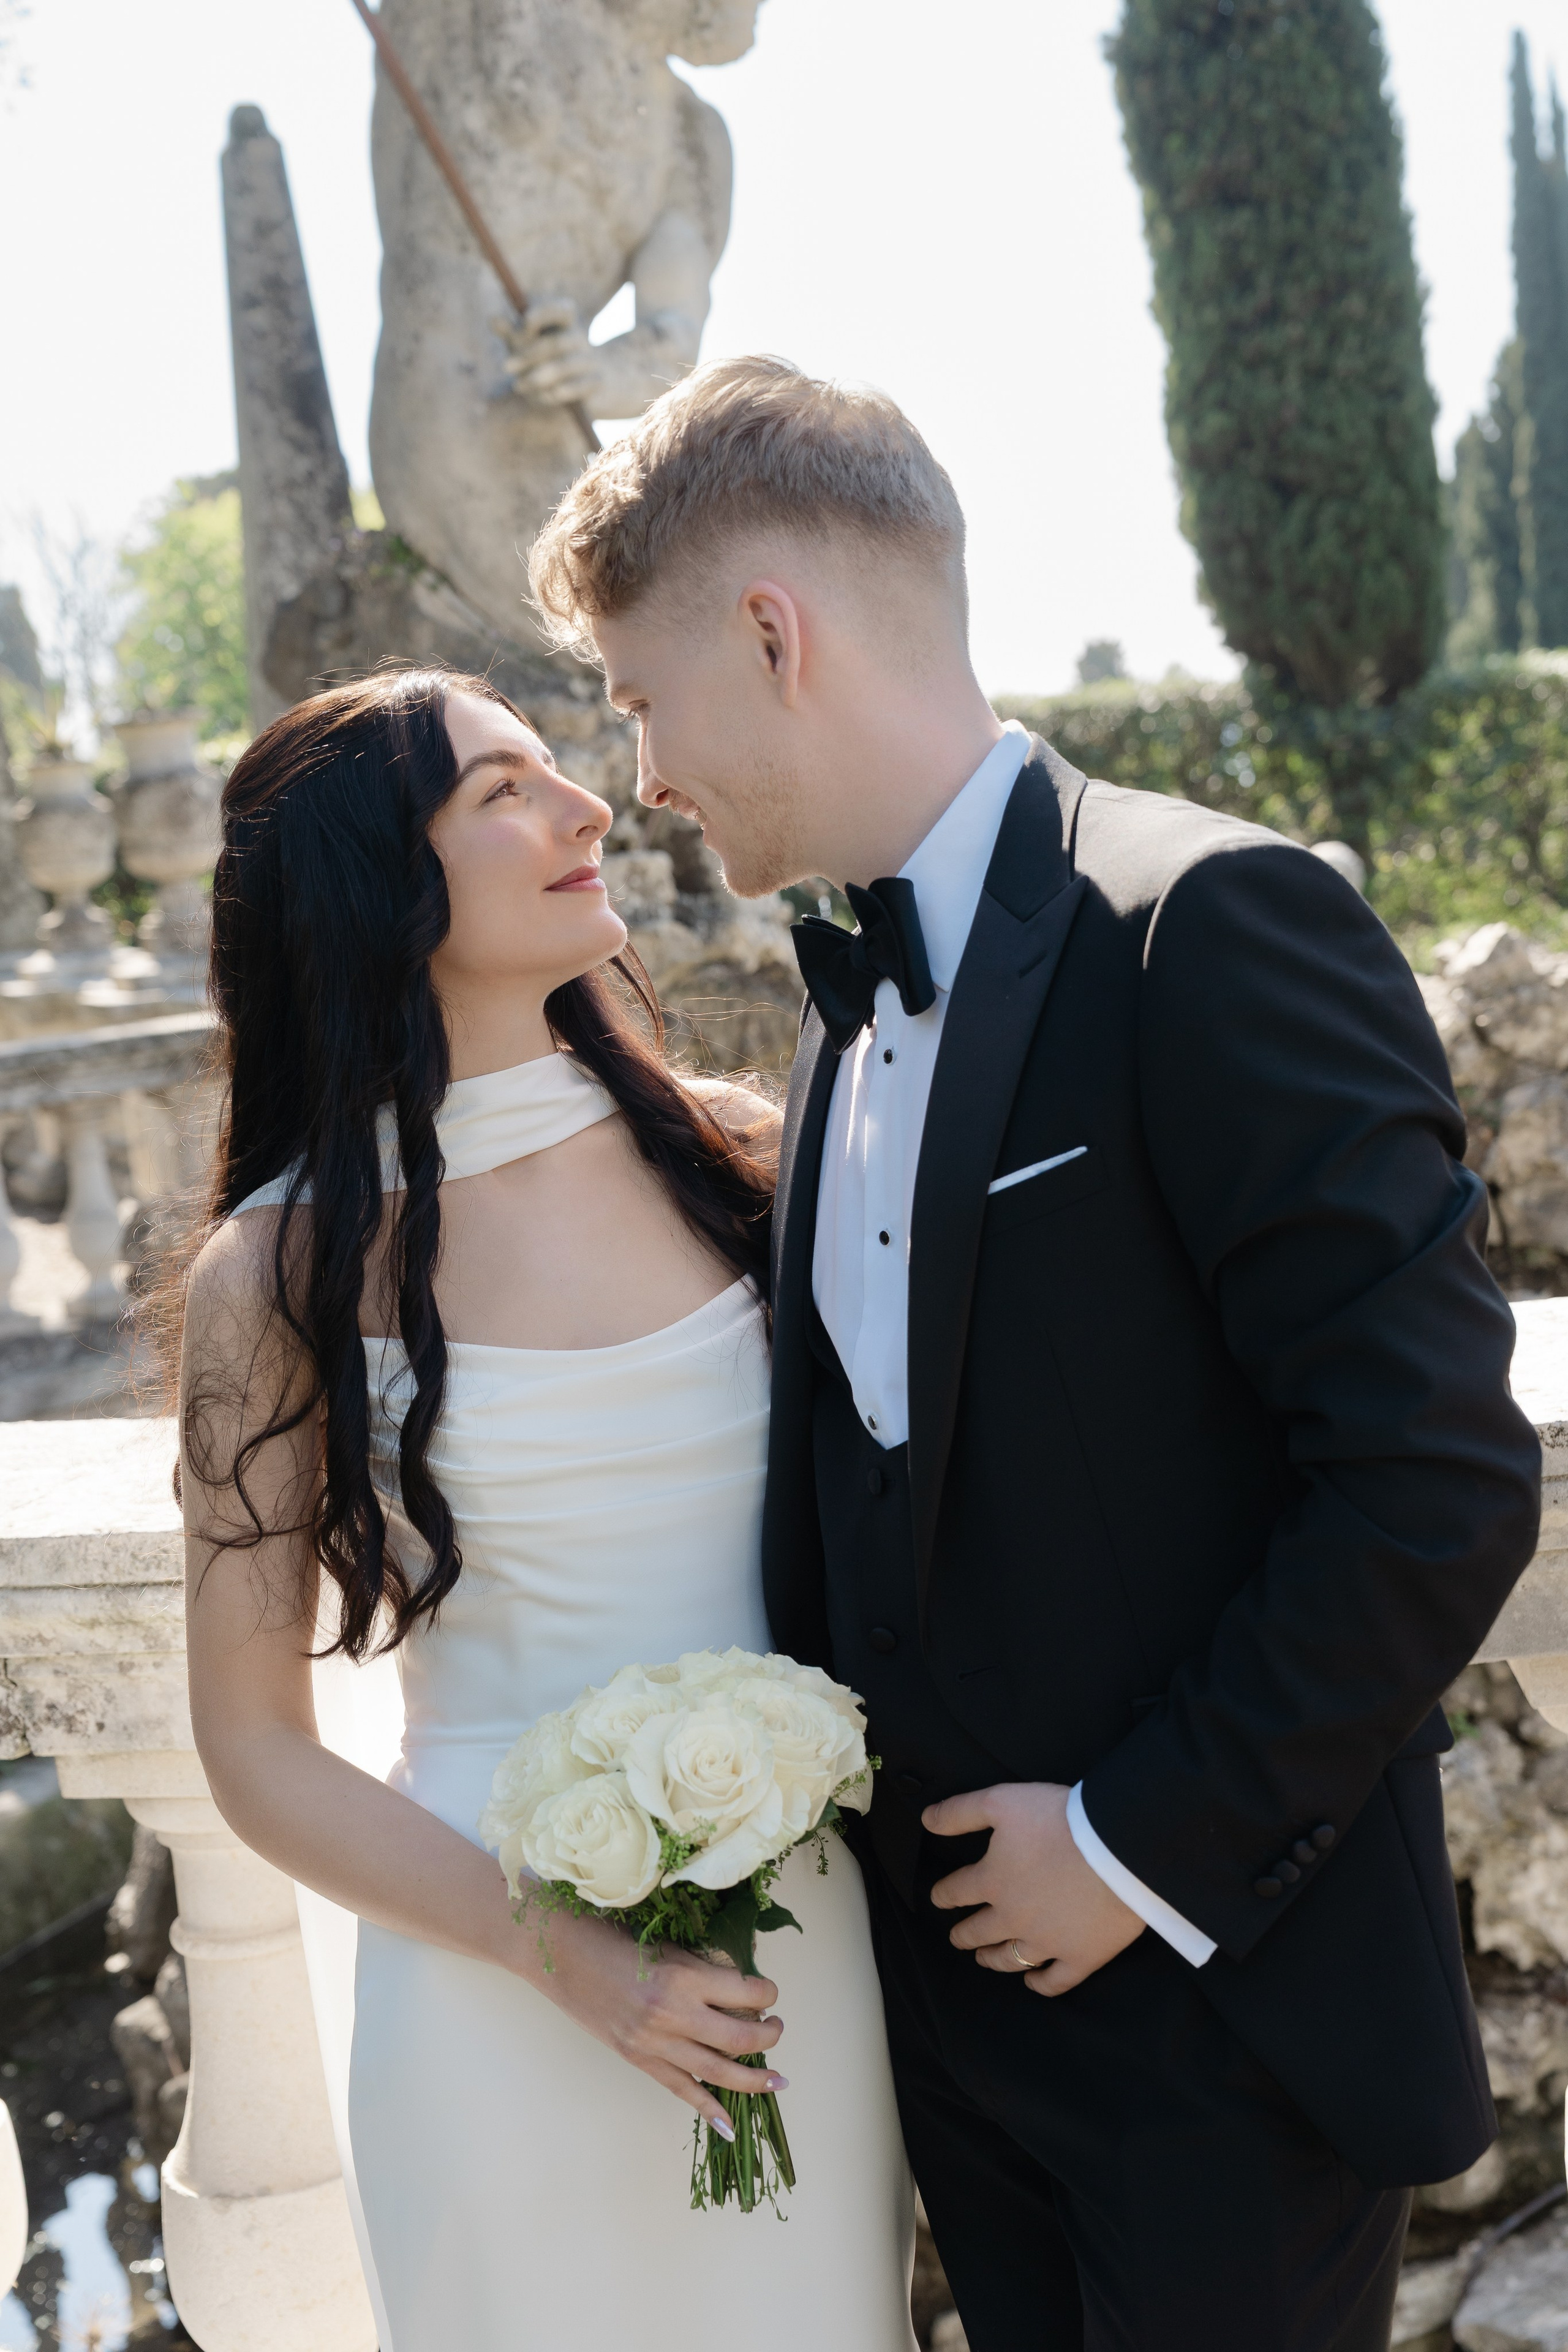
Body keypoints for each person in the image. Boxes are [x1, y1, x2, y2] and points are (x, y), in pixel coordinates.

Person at [529, 355, 1545, 2351]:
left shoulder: (1214, 923)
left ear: (770, 630)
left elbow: (1435, 1475)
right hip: (963, 2061)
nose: (639, 770)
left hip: (1220, 2028)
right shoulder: (840, 1018)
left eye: (641, 701)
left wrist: (1133, 1842)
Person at [173, 669, 918, 2352]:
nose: (587, 808)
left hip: (791, 1963)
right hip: (490, 1985)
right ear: (379, 885)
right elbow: (256, 1749)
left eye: (562, 773)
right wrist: (566, 1957)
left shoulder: (737, 1157)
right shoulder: (280, 1275)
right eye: (505, 790)